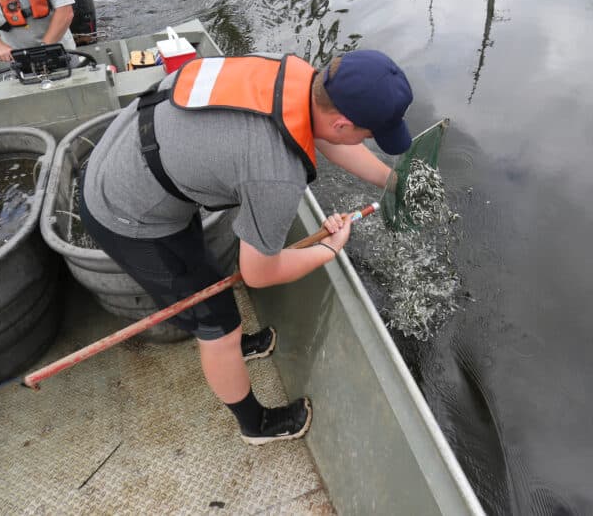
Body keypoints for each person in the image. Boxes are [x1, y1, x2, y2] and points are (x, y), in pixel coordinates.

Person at [79, 50, 413, 445]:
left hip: (129, 157)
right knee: (216, 324)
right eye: (370, 136)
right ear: (342, 122)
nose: (369, 142)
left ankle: (238, 343)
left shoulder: (292, 75)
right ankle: (255, 424)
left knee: (200, 269)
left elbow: (327, 136)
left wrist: (394, 182)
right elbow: (258, 273)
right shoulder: (276, 174)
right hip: (126, 214)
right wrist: (330, 249)